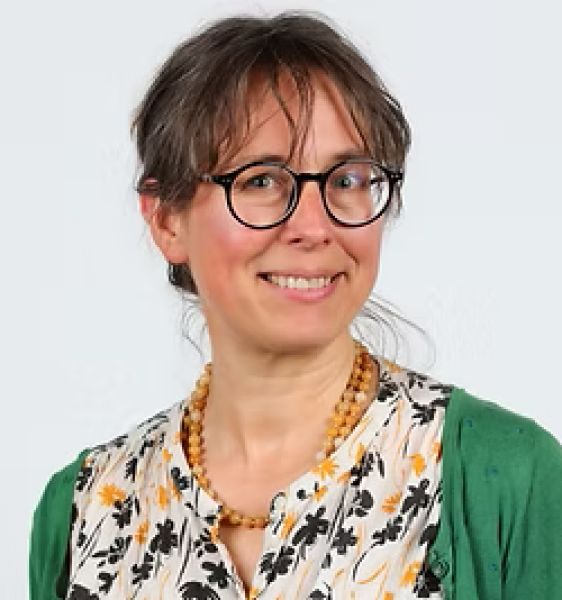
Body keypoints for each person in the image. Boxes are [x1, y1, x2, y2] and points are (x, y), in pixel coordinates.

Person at [29, 12, 562, 600]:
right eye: (261, 180)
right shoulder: (82, 510)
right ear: (165, 220)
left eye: (347, 179)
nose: (314, 226)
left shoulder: (504, 478)